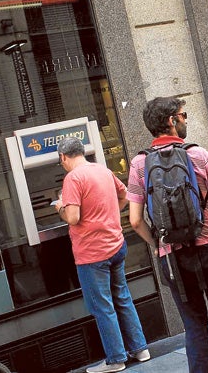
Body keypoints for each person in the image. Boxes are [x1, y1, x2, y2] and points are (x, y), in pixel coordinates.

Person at [126, 97, 208, 373]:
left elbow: (135, 220)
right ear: (172, 121)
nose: (185, 120)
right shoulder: (199, 155)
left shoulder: (139, 164)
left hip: (174, 257)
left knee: (194, 325)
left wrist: (159, 245)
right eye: (183, 115)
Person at [55, 136, 150, 373]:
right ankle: (140, 349)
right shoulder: (101, 170)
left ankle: (116, 359)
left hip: (92, 254)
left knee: (102, 306)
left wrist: (60, 208)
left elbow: (73, 217)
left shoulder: (72, 179)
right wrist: (108, 215)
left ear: (63, 157)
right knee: (122, 297)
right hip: (116, 246)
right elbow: (124, 195)